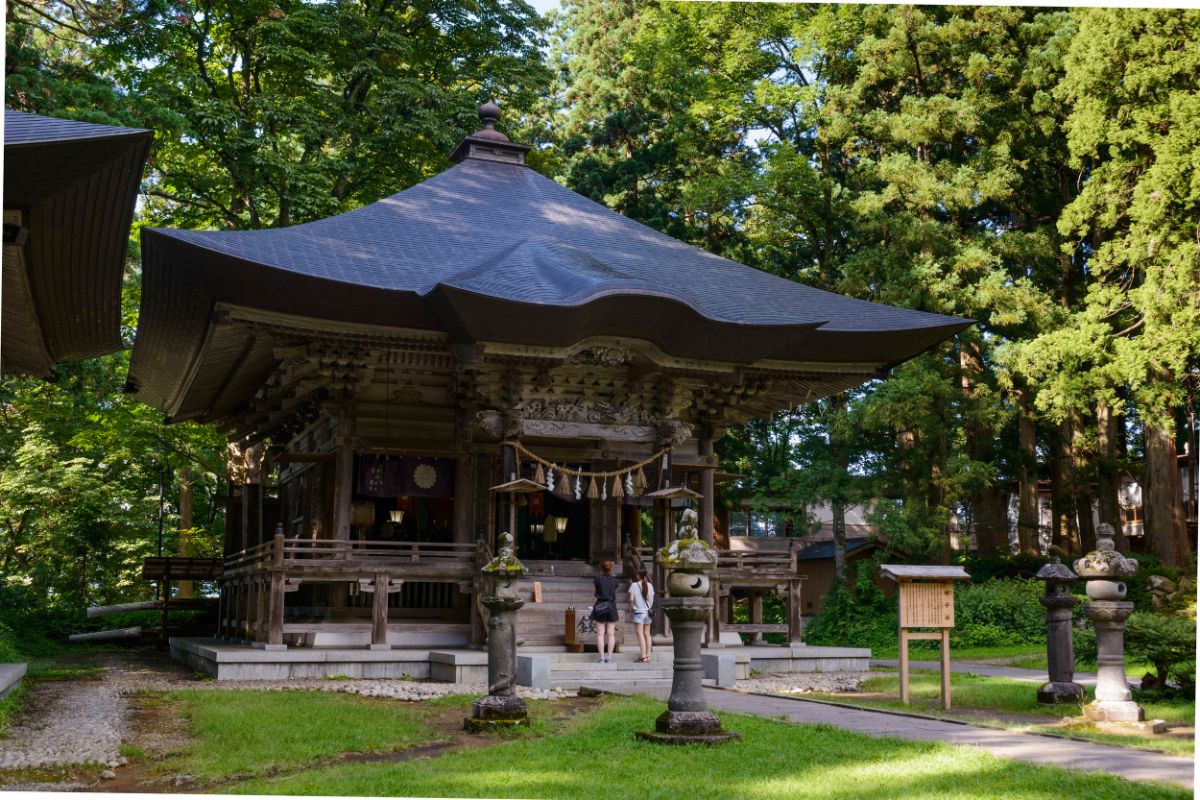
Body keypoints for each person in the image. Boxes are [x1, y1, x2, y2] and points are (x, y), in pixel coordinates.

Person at [592, 560, 619, 663]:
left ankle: (602, 658)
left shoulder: (597, 580)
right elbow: (614, 590)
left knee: (600, 634)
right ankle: (609, 657)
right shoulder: (614, 581)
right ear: (610, 568)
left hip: (600, 605)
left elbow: (594, 593)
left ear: (601, 568)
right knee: (611, 634)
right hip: (611, 605)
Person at [629, 568, 654, 663]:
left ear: (638, 575)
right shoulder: (650, 585)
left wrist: (631, 608)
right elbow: (652, 599)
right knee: (647, 634)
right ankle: (648, 656)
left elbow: (631, 599)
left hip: (639, 612)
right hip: (647, 613)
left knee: (640, 635)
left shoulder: (634, 585)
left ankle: (643, 657)